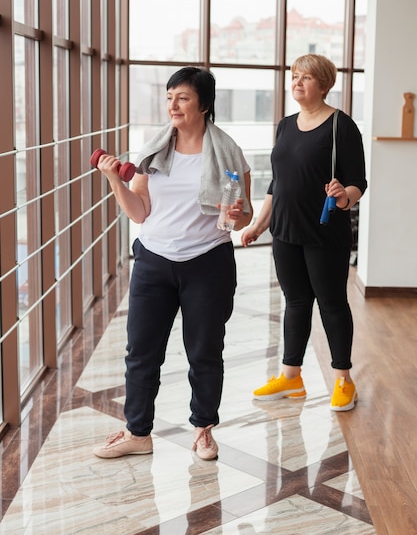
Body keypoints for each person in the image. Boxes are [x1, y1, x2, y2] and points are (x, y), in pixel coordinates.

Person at [93, 66, 253, 460]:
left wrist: (236, 214)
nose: (173, 105)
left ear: (204, 104)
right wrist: (115, 180)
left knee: (204, 351)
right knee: (141, 351)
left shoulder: (229, 152)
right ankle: (138, 432)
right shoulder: (154, 150)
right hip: (153, 261)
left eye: (182, 97)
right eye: (169, 98)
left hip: (207, 262)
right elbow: (139, 212)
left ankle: (202, 430)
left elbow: (244, 216)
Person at [241, 54, 367, 412]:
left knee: (331, 304)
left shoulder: (341, 125)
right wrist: (260, 224)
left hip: (325, 231)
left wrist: (344, 198)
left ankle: (344, 379)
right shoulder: (285, 125)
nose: (297, 82)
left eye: (306, 77)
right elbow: (277, 184)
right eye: (295, 76)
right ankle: (291, 376)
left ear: (324, 85)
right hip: (285, 231)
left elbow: (358, 181)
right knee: (296, 302)